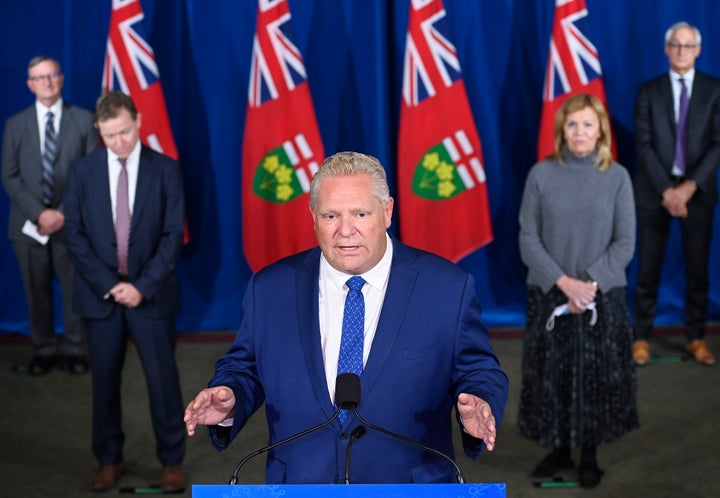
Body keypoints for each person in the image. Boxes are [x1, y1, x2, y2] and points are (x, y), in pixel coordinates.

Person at [184, 151, 509, 484]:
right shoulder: (271, 287)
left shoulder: (446, 288)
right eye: (330, 216)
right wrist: (230, 396)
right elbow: (246, 367)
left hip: (406, 486)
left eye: (360, 213)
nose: (344, 230)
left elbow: (479, 370)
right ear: (313, 216)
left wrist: (480, 401)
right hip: (301, 484)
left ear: (387, 212)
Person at [63, 92, 186, 492]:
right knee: (104, 384)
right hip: (101, 298)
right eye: (109, 135)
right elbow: (75, 236)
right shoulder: (82, 171)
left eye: (125, 132)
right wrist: (111, 285)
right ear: (98, 131)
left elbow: (172, 236)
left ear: (138, 120)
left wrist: (141, 287)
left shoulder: (165, 170)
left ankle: (171, 461)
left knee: (162, 382)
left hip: (151, 297)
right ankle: (108, 458)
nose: (119, 142)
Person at [517, 94, 639, 489]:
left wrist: (588, 286)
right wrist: (564, 283)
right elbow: (528, 238)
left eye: (588, 124)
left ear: (600, 129)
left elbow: (625, 243)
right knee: (552, 376)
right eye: (572, 125)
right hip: (551, 293)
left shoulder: (617, 176)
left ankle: (589, 454)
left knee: (594, 378)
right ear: (561, 131)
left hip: (600, 297)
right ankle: (558, 449)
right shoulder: (540, 174)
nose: (580, 132)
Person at [1, 55, 100, 375]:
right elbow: (10, 176)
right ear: (30, 84)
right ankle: (42, 349)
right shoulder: (15, 124)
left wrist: (59, 214)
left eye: (52, 75)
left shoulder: (85, 121)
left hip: (70, 224)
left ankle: (75, 349)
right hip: (27, 226)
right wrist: (39, 214)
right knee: (36, 291)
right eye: (39, 77)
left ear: (61, 78)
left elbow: (90, 175)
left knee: (74, 291)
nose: (46, 81)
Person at [633, 21, 720, 367]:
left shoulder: (715, 90)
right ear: (666, 49)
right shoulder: (649, 91)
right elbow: (644, 144)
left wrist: (687, 188)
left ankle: (695, 337)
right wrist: (668, 191)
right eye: (675, 44)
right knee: (647, 271)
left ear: (698, 50)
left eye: (688, 45)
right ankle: (641, 336)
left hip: (697, 193)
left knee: (698, 271)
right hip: (655, 193)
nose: (681, 51)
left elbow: (717, 144)